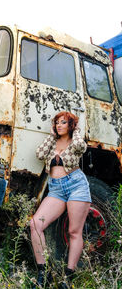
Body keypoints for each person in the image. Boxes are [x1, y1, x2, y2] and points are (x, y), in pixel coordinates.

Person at [30, 111, 91, 288]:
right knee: (35, 224)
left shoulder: (75, 141)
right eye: (57, 122)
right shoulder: (52, 142)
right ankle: (44, 273)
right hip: (56, 189)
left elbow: (81, 147)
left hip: (76, 186)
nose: (59, 125)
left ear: (70, 125)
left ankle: (68, 278)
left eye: (63, 122)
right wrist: (51, 135)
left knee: (74, 231)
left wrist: (77, 130)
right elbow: (40, 154)